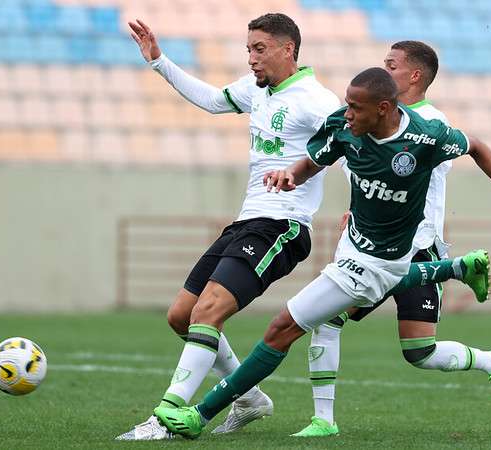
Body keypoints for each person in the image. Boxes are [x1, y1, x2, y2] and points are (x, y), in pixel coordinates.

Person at [153, 67, 491, 440]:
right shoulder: (345, 127)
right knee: (347, 330)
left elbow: (475, 145)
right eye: (346, 106)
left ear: (383, 108)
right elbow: (315, 160)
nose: (346, 113)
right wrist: (291, 175)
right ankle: (458, 269)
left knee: (282, 329)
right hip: (355, 243)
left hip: (382, 260)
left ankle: (200, 415)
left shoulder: (425, 137)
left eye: (354, 108)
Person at [293, 41, 491, 437]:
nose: (384, 71)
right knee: (327, 318)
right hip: (369, 248)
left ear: (414, 75)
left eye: (391, 65)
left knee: (420, 353)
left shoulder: (428, 124)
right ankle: (323, 421)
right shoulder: (366, 119)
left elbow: (473, 147)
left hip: (419, 249)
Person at [116, 13, 341, 440]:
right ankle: (251, 397)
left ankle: (166, 417)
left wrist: (359, 211)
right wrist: (159, 61)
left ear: (287, 49)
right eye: (248, 50)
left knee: (208, 311)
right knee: (182, 316)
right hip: (246, 221)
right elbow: (212, 99)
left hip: (283, 226)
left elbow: (351, 149)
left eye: (259, 49)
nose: (252, 59)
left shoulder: (316, 100)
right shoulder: (258, 91)